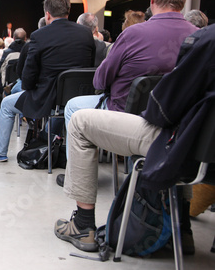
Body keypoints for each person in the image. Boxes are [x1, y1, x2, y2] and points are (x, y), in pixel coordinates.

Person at [54, 23, 215, 253]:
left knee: (79, 121)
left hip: (181, 147)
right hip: (206, 159)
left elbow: (167, 107)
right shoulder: (194, 31)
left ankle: (82, 224)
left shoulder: (205, 40)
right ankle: (182, 230)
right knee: (187, 135)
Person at [64, 0, 197, 129]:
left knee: (72, 106)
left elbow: (100, 81)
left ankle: (100, 152)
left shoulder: (133, 34)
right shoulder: (198, 36)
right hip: (176, 122)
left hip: (126, 118)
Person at [0, 0, 95, 162]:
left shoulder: (39, 36)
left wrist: (30, 87)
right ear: (68, 11)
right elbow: (90, 66)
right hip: (78, 98)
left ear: (47, 14)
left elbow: (28, 77)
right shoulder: (86, 34)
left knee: (6, 104)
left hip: (47, 99)